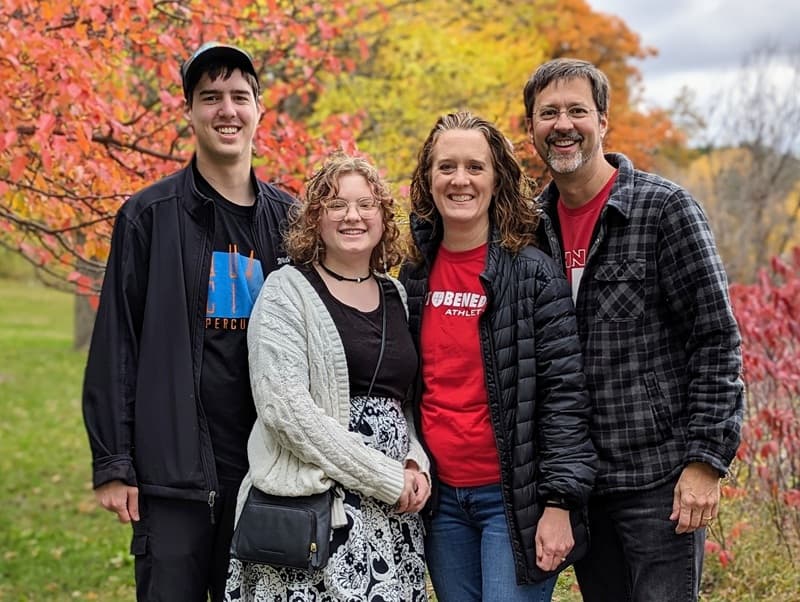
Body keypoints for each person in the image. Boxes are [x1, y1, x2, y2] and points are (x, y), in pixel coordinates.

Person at [522, 57, 745, 602]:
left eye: (577, 110)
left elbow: (716, 340)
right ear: (531, 128)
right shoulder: (529, 227)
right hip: (581, 484)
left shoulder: (663, 209)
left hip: (658, 481)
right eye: (548, 113)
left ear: (603, 121)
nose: (563, 124)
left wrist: (706, 461)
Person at [82, 42, 296, 601]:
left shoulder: (292, 221)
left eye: (239, 96)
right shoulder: (148, 216)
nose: (227, 110)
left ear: (259, 109)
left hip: (266, 473)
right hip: (172, 475)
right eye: (210, 97)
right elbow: (117, 344)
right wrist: (114, 461)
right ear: (189, 112)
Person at [399, 111, 597, 602]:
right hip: (442, 502)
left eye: (475, 167)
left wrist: (560, 502)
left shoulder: (533, 274)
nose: (460, 180)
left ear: (497, 179)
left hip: (513, 501)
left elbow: (564, 396)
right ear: (428, 178)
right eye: (446, 167)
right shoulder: (414, 274)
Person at [225, 153, 431, 601]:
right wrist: (384, 476)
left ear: (383, 217)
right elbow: (285, 411)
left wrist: (415, 463)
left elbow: (403, 403)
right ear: (315, 219)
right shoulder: (287, 291)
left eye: (366, 204)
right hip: (314, 516)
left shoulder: (396, 294)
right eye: (336, 204)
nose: (352, 216)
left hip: (392, 518)